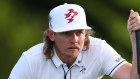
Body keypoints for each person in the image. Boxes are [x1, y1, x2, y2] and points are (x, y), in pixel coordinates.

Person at [8, 3, 140, 79]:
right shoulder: (30, 60)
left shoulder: (99, 50)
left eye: (79, 32)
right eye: (66, 33)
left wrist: (135, 39)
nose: (74, 40)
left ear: (85, 33)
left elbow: (132, 77)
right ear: (51, 35)